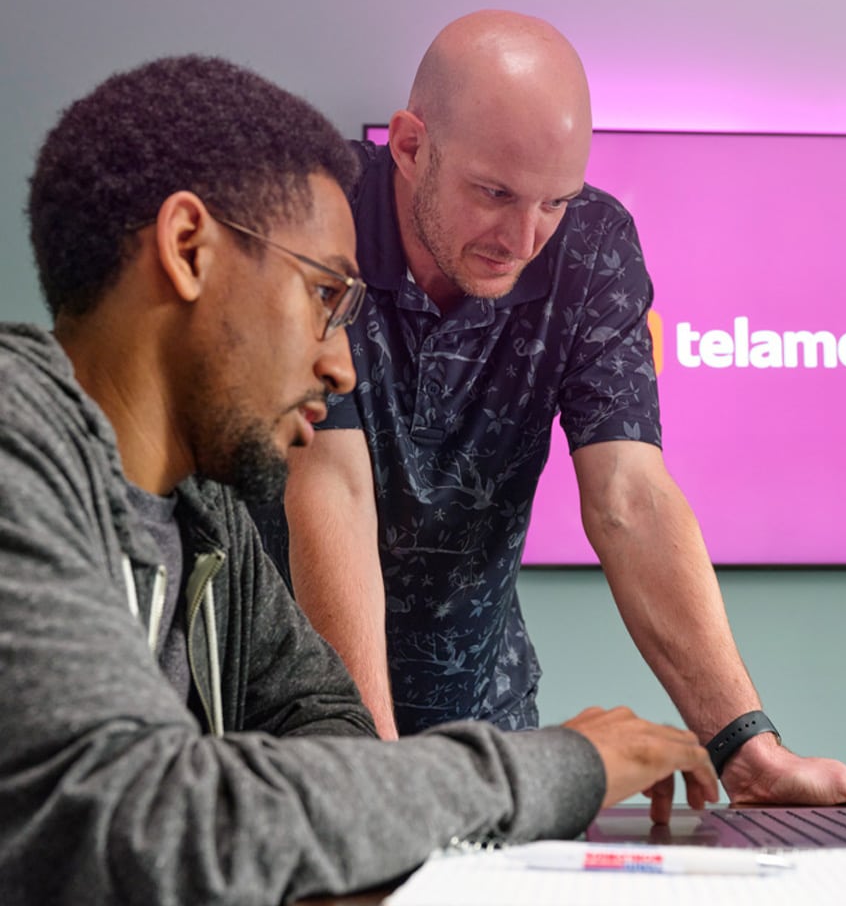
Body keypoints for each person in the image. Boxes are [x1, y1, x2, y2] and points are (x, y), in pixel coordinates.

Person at [0, 54, 720, 906]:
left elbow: (340, 751)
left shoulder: (206, 521)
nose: (342, 366)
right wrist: (563, 765)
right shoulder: (16, 451)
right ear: (188, 248)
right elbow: (144, 819)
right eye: (325, 295)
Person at [265, 9, 846, 807]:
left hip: (486, 730)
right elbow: (330, 489)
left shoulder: (591, 245)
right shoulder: (321, 215)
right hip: (292, 735)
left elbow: (631, 494)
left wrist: (748, 750)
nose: (524, 237)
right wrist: (381, 788)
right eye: (494, 193)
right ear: (413, 146)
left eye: (552, 201)